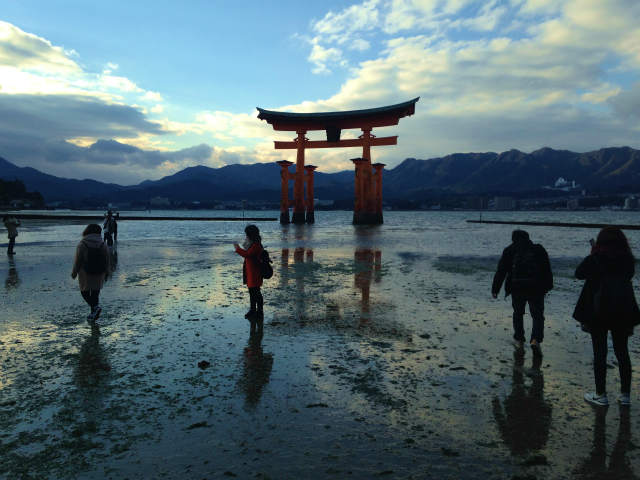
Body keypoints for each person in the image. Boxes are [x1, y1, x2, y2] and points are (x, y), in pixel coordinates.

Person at [574, 227, 640, 407]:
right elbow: (628, 275)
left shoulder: (595, 258)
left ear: (601, 242)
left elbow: (579, 274)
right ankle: (625, 395)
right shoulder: (627, 260)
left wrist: (594, 253)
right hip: (622, 310)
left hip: (599, 311)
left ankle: (600, 394)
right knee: (622, 352)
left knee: (600, 353)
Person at [492, 230, 553, 356]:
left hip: (517, 287)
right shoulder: (538, 249)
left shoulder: (509, 250)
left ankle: (519, 340)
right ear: (528, 238)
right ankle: (535, 340)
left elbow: (501, 271)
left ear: (513, 239)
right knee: (537, 315)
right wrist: (548, 286)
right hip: (536, 287)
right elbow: (547, 269)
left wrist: (495, 289)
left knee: (518, 313)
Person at [71, 224, 110, 323]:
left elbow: (78, 261)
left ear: (86, 231)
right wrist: (107, 272)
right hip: (99, 271)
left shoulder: (82, 244)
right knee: (95, 293)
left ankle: (95, 309)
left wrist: (74, 272)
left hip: (85, 273)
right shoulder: (102, 244)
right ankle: (93, 313)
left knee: (84, 292)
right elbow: (107, 260)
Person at [234, 225, 264, 323]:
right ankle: (253, 310)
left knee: (256, 292)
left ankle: (259, 312)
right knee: (252, 292)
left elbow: (248, 254)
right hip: (251, 271)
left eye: (247, 234)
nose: (246, 235)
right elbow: (248, 253)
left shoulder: (256, 245)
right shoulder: (254, 243)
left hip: (255, 272)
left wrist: (238, 248)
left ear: (250, 234)